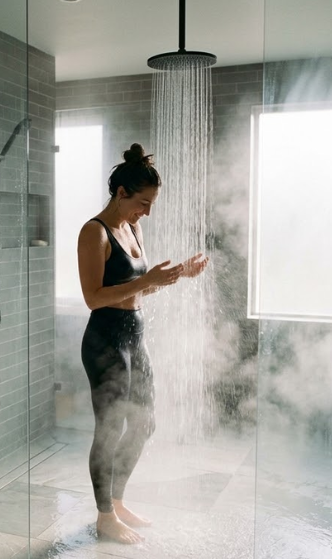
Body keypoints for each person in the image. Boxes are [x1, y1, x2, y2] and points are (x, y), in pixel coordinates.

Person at [77, 143, 209, 544]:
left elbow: (135, 291)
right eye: (143, 202)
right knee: (110, 427)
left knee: (145, 422)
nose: (147, 212)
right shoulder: (93, 232)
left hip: (134, 333)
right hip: (105, 338)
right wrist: (146, 281)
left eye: (151, 204)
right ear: (121, 193)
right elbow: (94, 297)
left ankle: (116, 502)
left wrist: (174, 276)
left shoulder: (133, 227)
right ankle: (103, 516)